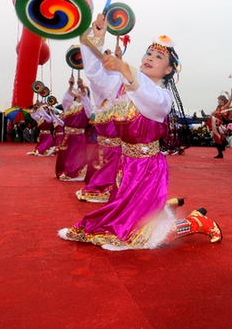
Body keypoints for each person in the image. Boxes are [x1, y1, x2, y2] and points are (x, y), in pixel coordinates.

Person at [58, 14, 222, 250]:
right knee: (117, 221)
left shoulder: (161, 97)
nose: (150, 58)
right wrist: (98, 36)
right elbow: (95, 75)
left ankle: (196, 223)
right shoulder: (122, 86)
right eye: (148, 54)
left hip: (147, 169)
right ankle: (160, 209)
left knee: (142, 237)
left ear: (167, 71)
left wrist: (124, 68)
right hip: (125, 166)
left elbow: (146, 97)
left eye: (159, 57)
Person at [75, 45, 124, 203]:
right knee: (110, 156)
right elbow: (104, 80)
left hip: (113, 123)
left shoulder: (115, 77)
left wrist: (119, 60)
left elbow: (124, 83)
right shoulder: (102, 81)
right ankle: (106, 185)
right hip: (109, 123)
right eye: (105, 56)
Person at [54, 76, 92, 181]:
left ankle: (74, 172)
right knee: (64, 155)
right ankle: (64, 170)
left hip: (78, 137)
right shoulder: (70, 105)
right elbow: (65, 100)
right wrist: (70, 86)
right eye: (78, 90)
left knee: (75, 156)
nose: (79, 91)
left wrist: (83, 89)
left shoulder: (87, 106)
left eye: (82, 91)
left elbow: (87, 106)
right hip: (67, 136)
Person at [207, 87, 232, 159]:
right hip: (217, 125)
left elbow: (230, 100)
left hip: (222, 125)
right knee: (217, 138)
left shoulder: (225, 107)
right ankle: (221, 149)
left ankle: (221, 149)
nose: (218, 101)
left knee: (218, 138)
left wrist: (230, 92)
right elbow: (213, 114)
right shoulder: (217, 108)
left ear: (222, 100)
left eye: (219, 100)